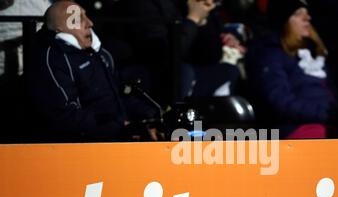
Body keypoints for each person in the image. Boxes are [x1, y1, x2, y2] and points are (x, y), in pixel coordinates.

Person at [26, 0, 163, 142]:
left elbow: (119, 95)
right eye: (78, 20)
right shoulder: (52, 59)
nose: (90, 23)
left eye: (87, 16)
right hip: (83, 148)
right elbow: (64, 117)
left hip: (116, 134)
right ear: (59, 28)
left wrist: (151, 117)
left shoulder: (98, 54)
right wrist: (120, 126)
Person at [110, 0, 245, 103]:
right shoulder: (144, 4)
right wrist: (193, 20)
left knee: (228, 71)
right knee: (183, 72)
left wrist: (204, 20)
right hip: (144, 74)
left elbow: (212, 56)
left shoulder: (186, 3)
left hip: (183, 72)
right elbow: (163, 54)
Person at [246, 0, 337, 138]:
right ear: (284, 21)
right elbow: (279, 101)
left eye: (306, 13)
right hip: (295, 129)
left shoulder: (315, 53)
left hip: (330, 124)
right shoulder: (270, 53)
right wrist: (326, 114)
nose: (307, 18)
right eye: (298, 14)